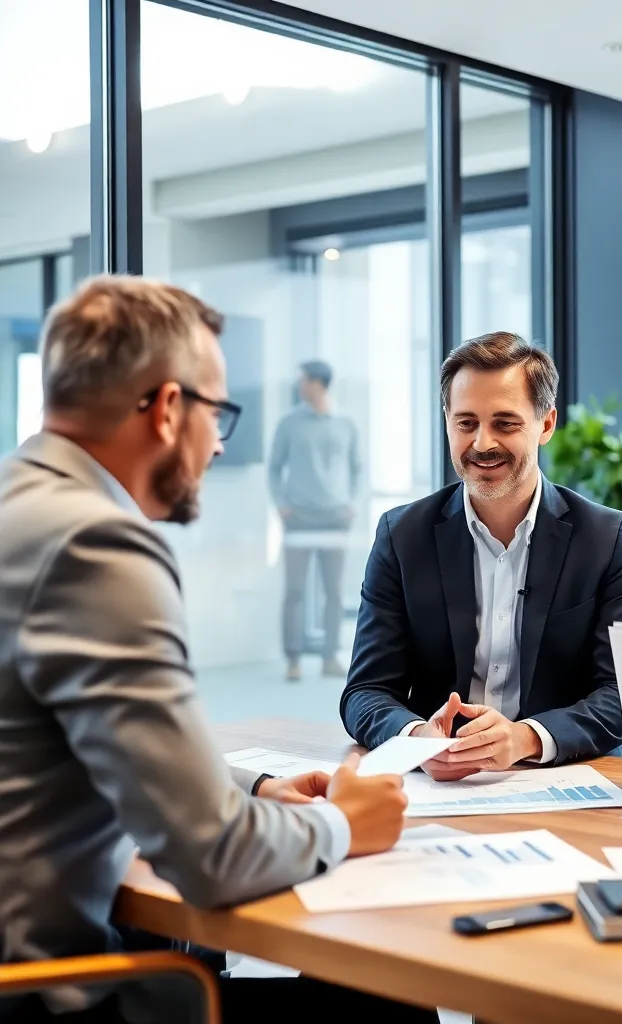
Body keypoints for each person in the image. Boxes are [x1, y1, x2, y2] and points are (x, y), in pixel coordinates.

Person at [0, 276, 435, 1023]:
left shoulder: (20, 504)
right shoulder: (97, 543)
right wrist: (345, 824)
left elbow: (86, 748)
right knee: (381, 994)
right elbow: (212, 858)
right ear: (170, 409)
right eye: (217, 411)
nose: (221, 439)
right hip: (54, 995)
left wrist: (253, 787)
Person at [341, 332, 622, 779]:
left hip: (569, 778)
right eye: (466, 422)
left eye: (505, 423)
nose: (481, 443)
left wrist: (526, 739)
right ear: (447, 421)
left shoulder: (606, 537)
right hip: (439, 785)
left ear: (546, 424)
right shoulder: (402, 536)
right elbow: (366, 690)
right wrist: (419, 739)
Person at [268, 360, 361, 683]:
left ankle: (329, 656)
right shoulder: (289, 423)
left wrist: (352, 504)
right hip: (299, 518)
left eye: (303, 381)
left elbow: (357, 467)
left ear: (319, 384)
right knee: (294, 589)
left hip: (335, 517)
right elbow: (274, 467)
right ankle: (292, 659)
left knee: (333, 591)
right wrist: (281, 505)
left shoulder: (346, 422)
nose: (299, 386)